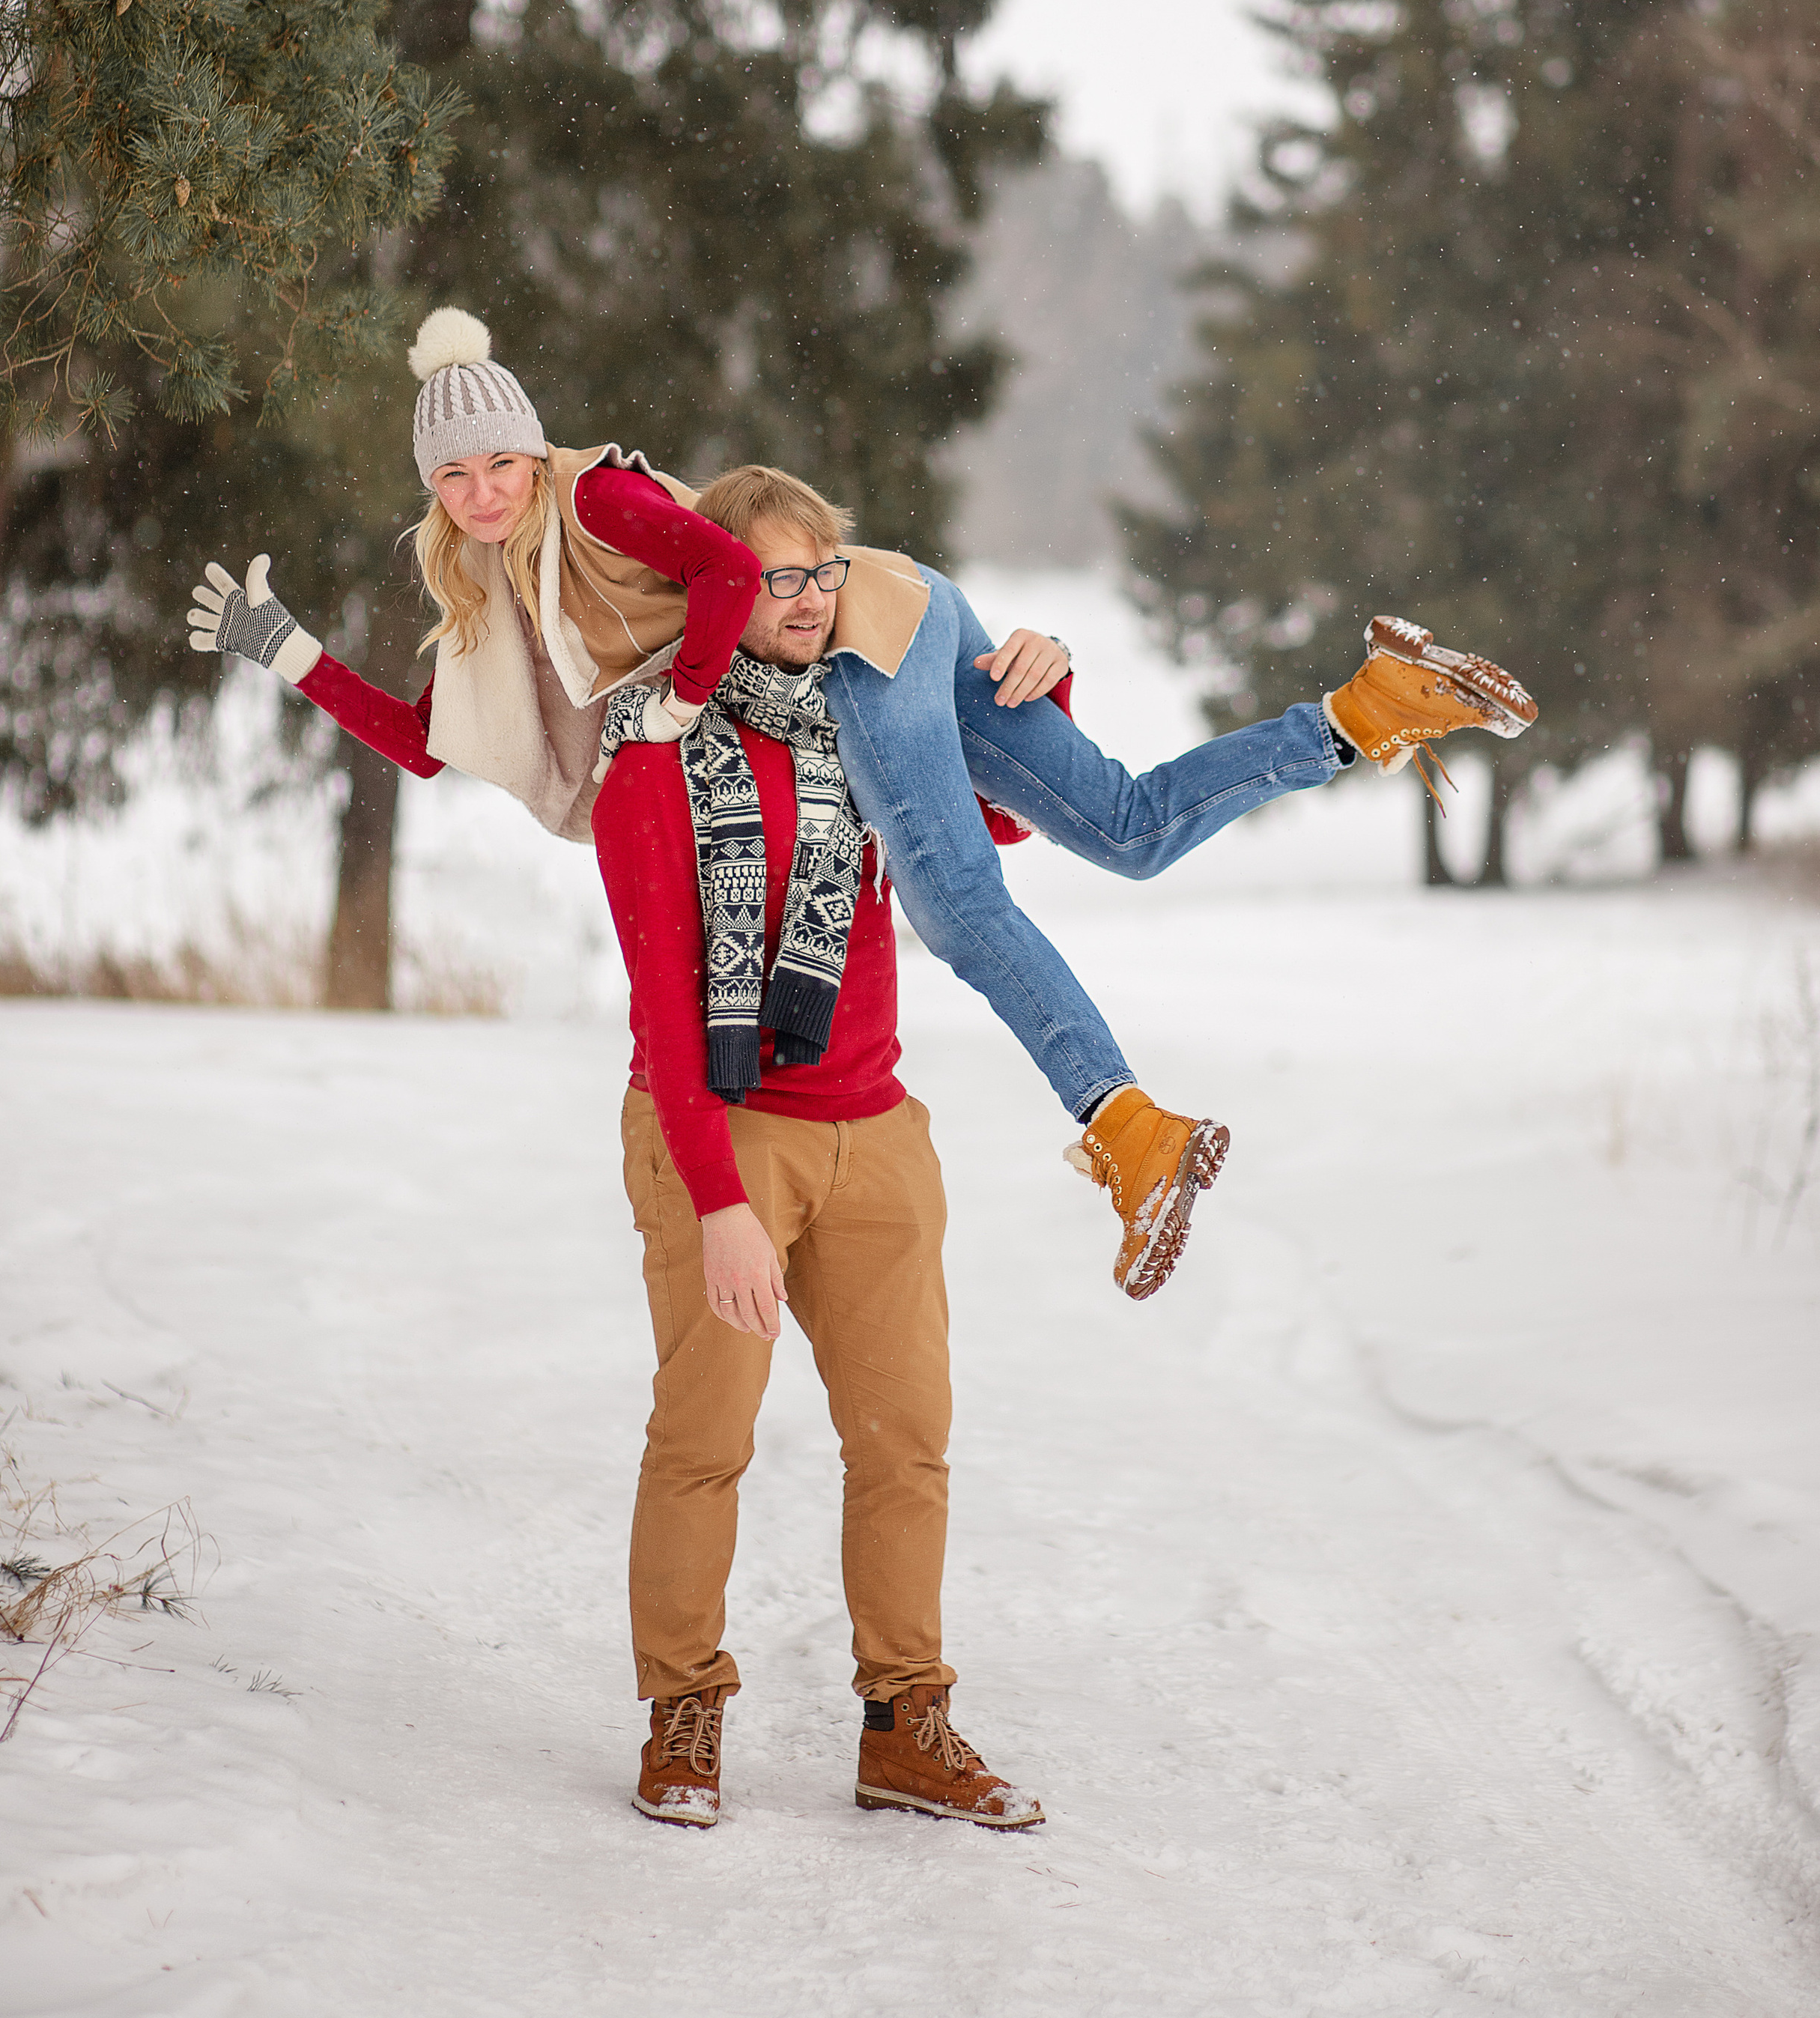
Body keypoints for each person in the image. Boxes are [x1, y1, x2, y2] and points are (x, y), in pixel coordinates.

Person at [188, 308, 1538, 1299]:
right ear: (430, 489)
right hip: (899, 607)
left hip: (843, 629)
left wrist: (676, 700)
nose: (482, 494)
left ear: (533, 453)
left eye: (498, 465)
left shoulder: (592, 498)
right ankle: (1367, 711)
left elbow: (727, 574)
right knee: (1127, 830)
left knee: (953, 909)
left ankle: (1129, 1130)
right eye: (452, 477)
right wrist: (289, 653)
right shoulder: (501, 594)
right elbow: (430, 746)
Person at [591, 470, 1041, 1830]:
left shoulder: (879, 725)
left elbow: (1007, 820)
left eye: (824, 571)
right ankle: (684, 1708)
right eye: (776, 576)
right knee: (705, 1436)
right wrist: (720, 1201)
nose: (806, 601)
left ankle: (905, 1724)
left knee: (906, 1442)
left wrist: (1035, 686)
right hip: (718, 1129)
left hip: (876, 1133)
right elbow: (667, 1008)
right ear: (716, 588)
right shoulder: (658, 744)